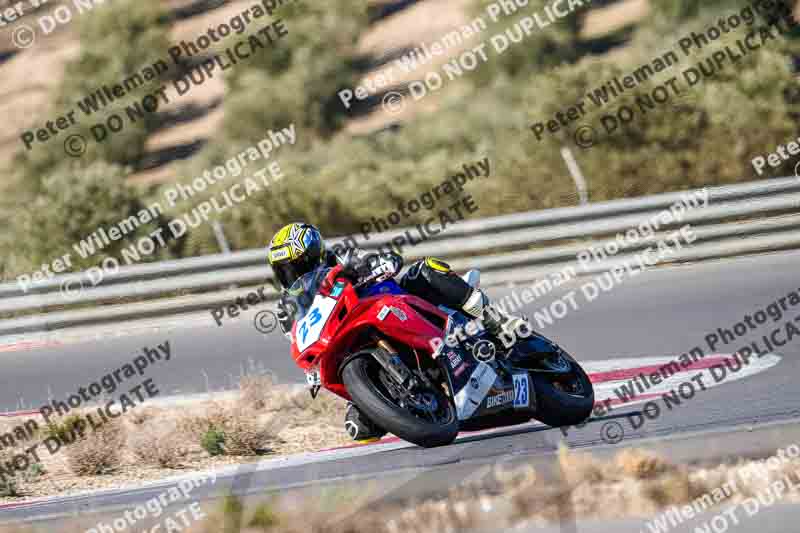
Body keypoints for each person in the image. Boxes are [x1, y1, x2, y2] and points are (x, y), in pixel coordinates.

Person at [266, 222, 518, 441]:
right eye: (284, 269)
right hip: (345, 342)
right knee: (360, 427)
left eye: (296, 265)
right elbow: (301, 342)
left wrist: (379, 263)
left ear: (316, 255)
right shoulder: (287, 310)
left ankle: (495, 320)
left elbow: (385, 260)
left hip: (388, 304)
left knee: (426, 270)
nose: (292, 274)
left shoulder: (343, 259)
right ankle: (407, 397)